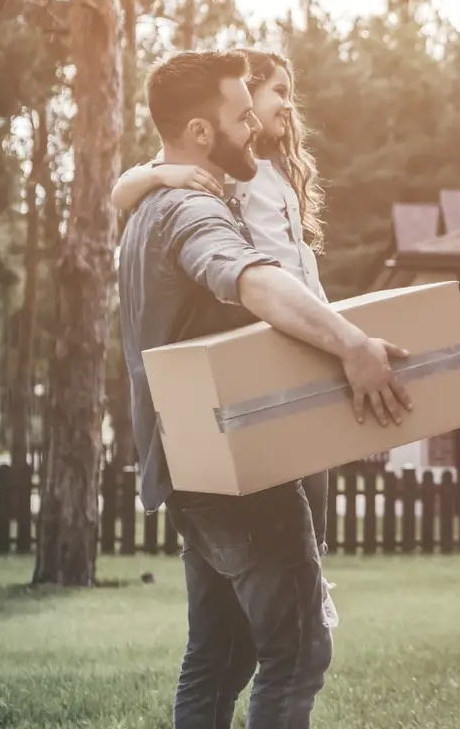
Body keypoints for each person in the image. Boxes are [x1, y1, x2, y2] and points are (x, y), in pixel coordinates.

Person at [118, 49, 412, 728]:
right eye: (241, 116)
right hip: (242, 474)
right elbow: (251, 279)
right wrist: (352, 344)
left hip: (190, 469)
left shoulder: (145, 214)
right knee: (299, 652)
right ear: (200, 132)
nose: (256, 127)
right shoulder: (191, 212)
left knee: (220, 659)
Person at [112, 50, 335, 551]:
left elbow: (300, 267)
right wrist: (160, 175)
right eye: (277, 91)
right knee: (287, 515)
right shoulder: (223, 171)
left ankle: (315, 578)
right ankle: (309, 595)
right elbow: (122, 190)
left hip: (306, 330)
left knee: (312, 503)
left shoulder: (273, 172)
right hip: (272, 331)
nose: (286, 106)